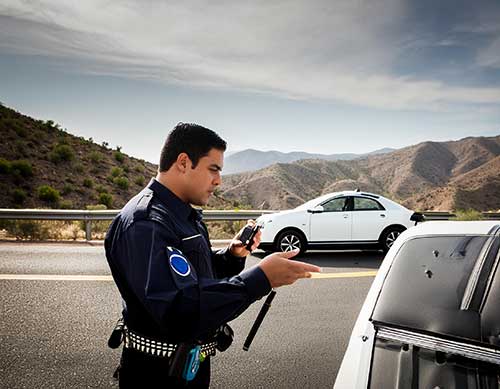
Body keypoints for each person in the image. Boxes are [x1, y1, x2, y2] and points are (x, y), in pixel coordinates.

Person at [105, 123, 320, 388]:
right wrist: (260, 278)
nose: (218, 180)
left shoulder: (184, 214)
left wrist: (231, 256)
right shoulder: (147, 223)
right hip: (157, 375)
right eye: (213, 169)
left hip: (187, 367)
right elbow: (180, 310)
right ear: (183, 162)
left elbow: (190, 277)